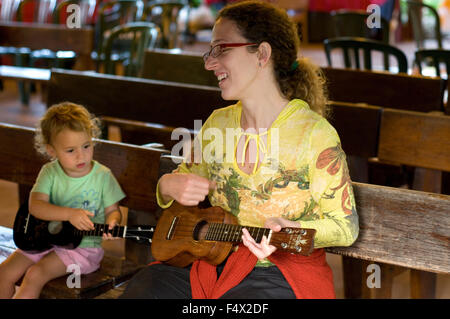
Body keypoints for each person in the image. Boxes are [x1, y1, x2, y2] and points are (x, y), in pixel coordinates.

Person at [121, 0, 359, 299]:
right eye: (210, 51)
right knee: (145, 289)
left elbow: (345, 228)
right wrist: (167, 185)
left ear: (261, 54)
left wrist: (290, 231)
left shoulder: (313, 134)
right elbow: (181, 189)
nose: (209, 63)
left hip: (279, 273)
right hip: (209, 263)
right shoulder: (218, 123)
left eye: (221, 49)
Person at [0, 102, 126, 299]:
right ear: (52, 151)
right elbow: (36, 206)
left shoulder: (102, 176)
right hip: (42, 239)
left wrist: (113, 222)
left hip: (82, 249)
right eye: (70, 150)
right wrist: (69, 214)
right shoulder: (50, 173)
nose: (81, 155)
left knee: (35, 274)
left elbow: (113, 210)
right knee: (4, 272)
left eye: (86, 146)